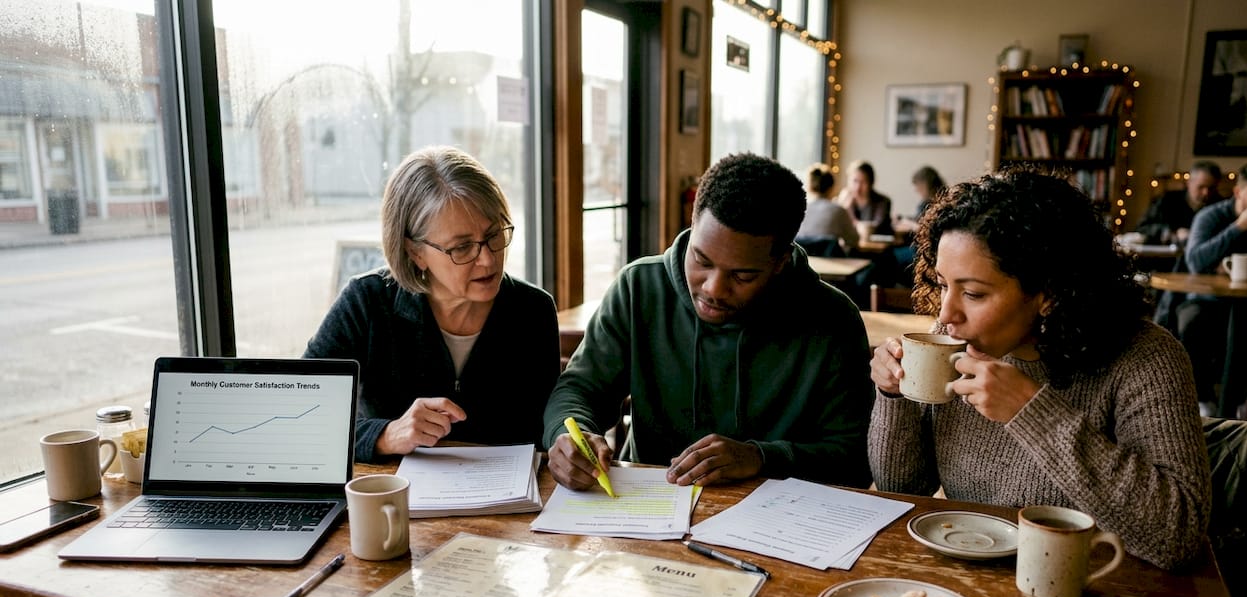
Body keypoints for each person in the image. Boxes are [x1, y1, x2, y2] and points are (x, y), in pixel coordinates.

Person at [868, 168, 1210, 570]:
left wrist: (1032, 412)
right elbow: (903, 489)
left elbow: (1177, 535)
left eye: (973, 293)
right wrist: (894, 395)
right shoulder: (950, 339)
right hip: (971, 573)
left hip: (1099, 589)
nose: (945, 314)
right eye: (943, 284)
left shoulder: (1145, 358)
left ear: (1049, 293)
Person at [544, 152, 874, 490]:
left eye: (743, 276)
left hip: (778, 524)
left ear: (780, 262)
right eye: (701, 259)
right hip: (646, 507)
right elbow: (580, 388)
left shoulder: (834, 320)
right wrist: (571, 433)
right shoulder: (638, 288)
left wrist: (761, 458)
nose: (713, 289)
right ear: (692, 223)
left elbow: (855, 459)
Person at [303, 146, 560, 463]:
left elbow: (544, 431)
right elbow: (305, 418)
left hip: (509, 503)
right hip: (395, 497)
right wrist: (386, 435)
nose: (488, 258)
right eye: (462, 247)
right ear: (415, 252)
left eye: (494, 235)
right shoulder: (366, 303)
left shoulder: (532, 310)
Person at [1175, 160, 1247, 417]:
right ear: (1238, 192)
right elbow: (1196, 261)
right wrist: (1239, 227)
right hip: (1209, 301)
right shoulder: (1211, 216)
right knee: (1191, 322)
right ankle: (1203, 400)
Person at [1135, 160, 1223, 245]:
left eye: (1211, 188)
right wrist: (1172, 233)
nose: (1206, 193)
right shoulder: (1167, 200)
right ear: (1188, 183)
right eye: (1201, 187)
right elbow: (1142, 227)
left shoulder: (1221, 206)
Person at [888, 165, 947, 286]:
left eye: (917, 186)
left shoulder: (933, 203)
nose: (916, 190)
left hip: (926, 251)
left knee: (890, 256)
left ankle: (896, 292)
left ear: (924, 184)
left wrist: (910, 225)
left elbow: (928, 228)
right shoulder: (942, 198)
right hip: (927, 249)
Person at [795, 162, 859, 257]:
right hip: (832, 267)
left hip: (800, 267)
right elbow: (854, 240)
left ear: (809, 186)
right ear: (831, 187)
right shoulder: (838, 210)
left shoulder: (797, 210)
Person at [837, 160, 893, 239]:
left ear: (871, 183)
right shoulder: (843, 199)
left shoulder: (883, 201)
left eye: (863, 182)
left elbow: (872, 229)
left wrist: (848, 211)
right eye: (854, 181)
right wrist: (841, 206)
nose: (858, 187)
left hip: (876, 249)